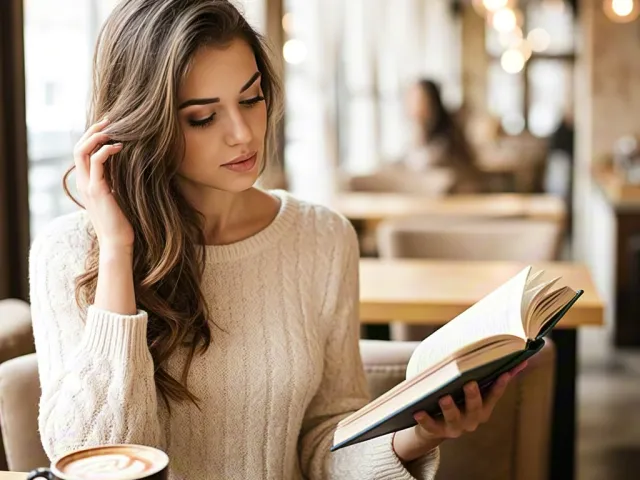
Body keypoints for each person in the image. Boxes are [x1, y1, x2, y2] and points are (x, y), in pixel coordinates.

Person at [29, 1, 525, 479]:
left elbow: (326, 440)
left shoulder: (322, 238)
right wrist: (119, 251)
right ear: (142, 125)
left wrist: (415, 438)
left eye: (251, 99)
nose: (243, 133)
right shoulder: (73, 252)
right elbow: (91, 459)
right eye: (203, 117)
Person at [403, 79, 485, 194]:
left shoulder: (447, 135)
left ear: (431, 101)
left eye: (418, 99)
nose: (411, 105)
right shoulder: (416, 132)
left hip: (458, 197)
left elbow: (432, 170)